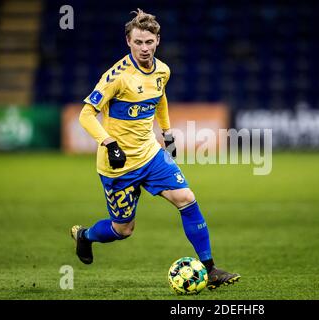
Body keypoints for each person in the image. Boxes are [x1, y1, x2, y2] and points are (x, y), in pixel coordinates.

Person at [71, 9, 240, 289]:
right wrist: (109, 142)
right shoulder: (116, 76)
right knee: (123, 229)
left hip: (150, 155)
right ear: (128, 41)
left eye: (149, 42)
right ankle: (86, 236)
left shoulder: (163, 70)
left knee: (186, 197)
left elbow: (160, 99)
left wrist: (167, 134)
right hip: (118, 165)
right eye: (138, 42)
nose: (144, 48)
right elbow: (86, 115)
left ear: (158, 40)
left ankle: (210, 269)